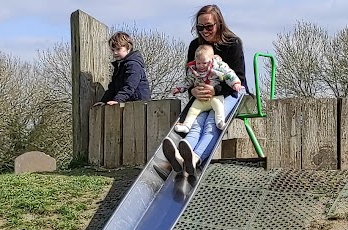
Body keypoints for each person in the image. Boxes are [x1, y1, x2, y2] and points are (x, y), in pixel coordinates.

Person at [162, 5, 247, 176]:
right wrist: (193, 91)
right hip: (203, 95)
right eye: (200, 27)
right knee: (195, 123)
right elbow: (190, 77)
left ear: (219, 23)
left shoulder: (233, 43)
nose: (205, 31)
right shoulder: (196, 46)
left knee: (212, 122)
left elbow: (238, 78)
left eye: (209, 26)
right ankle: (179, 157)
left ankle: (195, 158)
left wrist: (215, 89)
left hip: (230, 92)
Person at [172, 44, 242, 132]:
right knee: (193, 109)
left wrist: (235, 83)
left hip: (215, 96)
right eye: (198, 63)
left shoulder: (218, 66)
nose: (201, 66)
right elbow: (188, 81)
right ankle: (186, 126)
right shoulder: (193, 70)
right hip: (201, 98)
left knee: (218, 105)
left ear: (211, 60)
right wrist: (179, 88)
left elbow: (229, 74)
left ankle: (220, 122)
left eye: (204, 63)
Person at [93, 31, 151, 106]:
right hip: (128, 103)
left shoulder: (133, 64)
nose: (115, 53)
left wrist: (118, 100)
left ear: (128, 48)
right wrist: (104, 101)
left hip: (140, 104)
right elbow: (113, 87)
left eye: (118, 49)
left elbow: (130, 85)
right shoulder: (120, 66)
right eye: (113, 50)